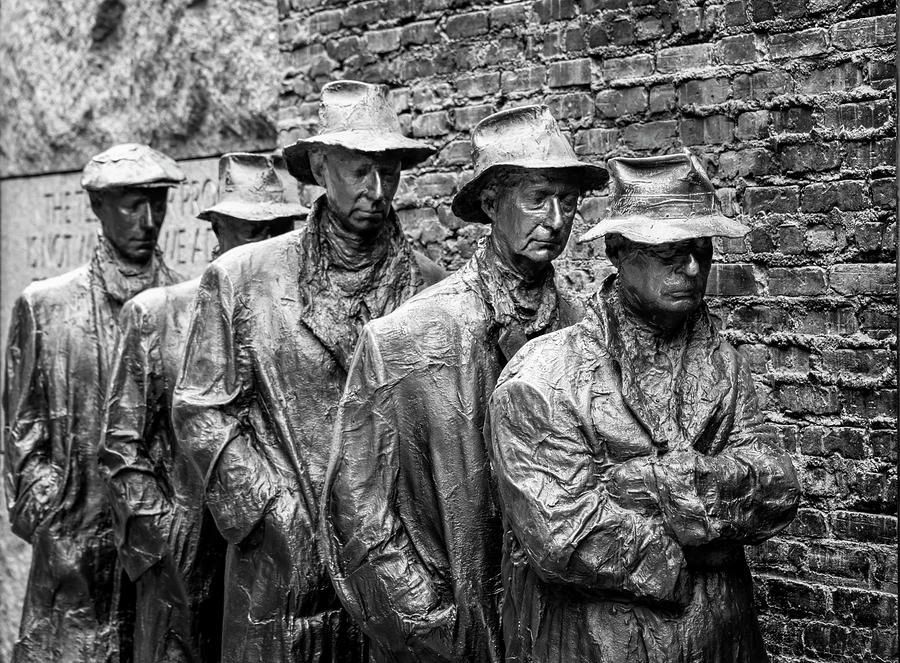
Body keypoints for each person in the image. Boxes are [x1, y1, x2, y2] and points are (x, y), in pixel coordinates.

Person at [486, 151, 801, 663]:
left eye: (701, 249)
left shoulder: (724, 361)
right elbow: (564, 538)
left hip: (724, 639)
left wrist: (648, 483)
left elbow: (778, 487)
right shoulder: (544, 376)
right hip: (597, 646)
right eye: (669, 251)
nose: (692, 268)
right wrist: (703, 547)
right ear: (617, 250)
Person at [321, 105, 606, 663]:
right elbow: (357, 509)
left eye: (569, 202)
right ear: (491, 202)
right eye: (537, 198)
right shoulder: (404, 337)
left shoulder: (587, 330)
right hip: (449, 636)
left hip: (563, 632)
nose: (555, 219)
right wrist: (430, 625)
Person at [171, 80, 444, 663]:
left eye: (389, 171)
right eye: (359, 170)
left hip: (398, 574)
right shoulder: (243, 277)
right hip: (281, 575)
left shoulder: (431, 287)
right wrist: (274, 513)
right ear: (320, 166)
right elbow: (200, 410)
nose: (377, 190)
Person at [98, 153, 306, 663]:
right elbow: (121, 448)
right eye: (249, 231)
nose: (263, 245)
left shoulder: (295, 320)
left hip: (266, 553)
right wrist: (164, 545)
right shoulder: (157, 313)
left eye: (275, 231)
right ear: (218, 231)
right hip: (184, 555)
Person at [3, 144, 185, 663]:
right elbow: (22, 430)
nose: (147, 221)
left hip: (160, 557)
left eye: (157, 204)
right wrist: (50, 515)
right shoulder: (45, 306)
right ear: (98, 207)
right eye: (132, 205)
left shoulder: (187, 302)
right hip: (72, 552)